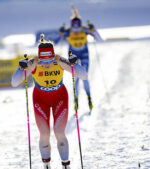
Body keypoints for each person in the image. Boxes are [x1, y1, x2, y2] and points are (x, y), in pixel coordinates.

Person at [11, 34, 87, 169]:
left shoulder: (59, 61)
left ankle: (65, 165)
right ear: (39, 58)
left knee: (59, 132)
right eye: (43, 62)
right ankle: (46, 164)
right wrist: (21, 68)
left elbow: (84, 75)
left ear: (53, 57)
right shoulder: (33, 63)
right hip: (40, 100)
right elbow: (14, 82)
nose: (46, 65)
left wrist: (75, 64)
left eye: (49, 61)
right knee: (44, 134)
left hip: (60, 98)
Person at [59, 5, 102, 112]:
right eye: (74, 28)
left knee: (85, 77)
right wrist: (61, 31)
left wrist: (93, 30)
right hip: (73, 58)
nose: (77, 31)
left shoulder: (84, 30)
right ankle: (76, 102)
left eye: (78, 28)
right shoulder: (68, 31)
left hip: (84, 55)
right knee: (76, 79)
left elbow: (99, 39)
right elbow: (59, 38)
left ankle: (89, 98)